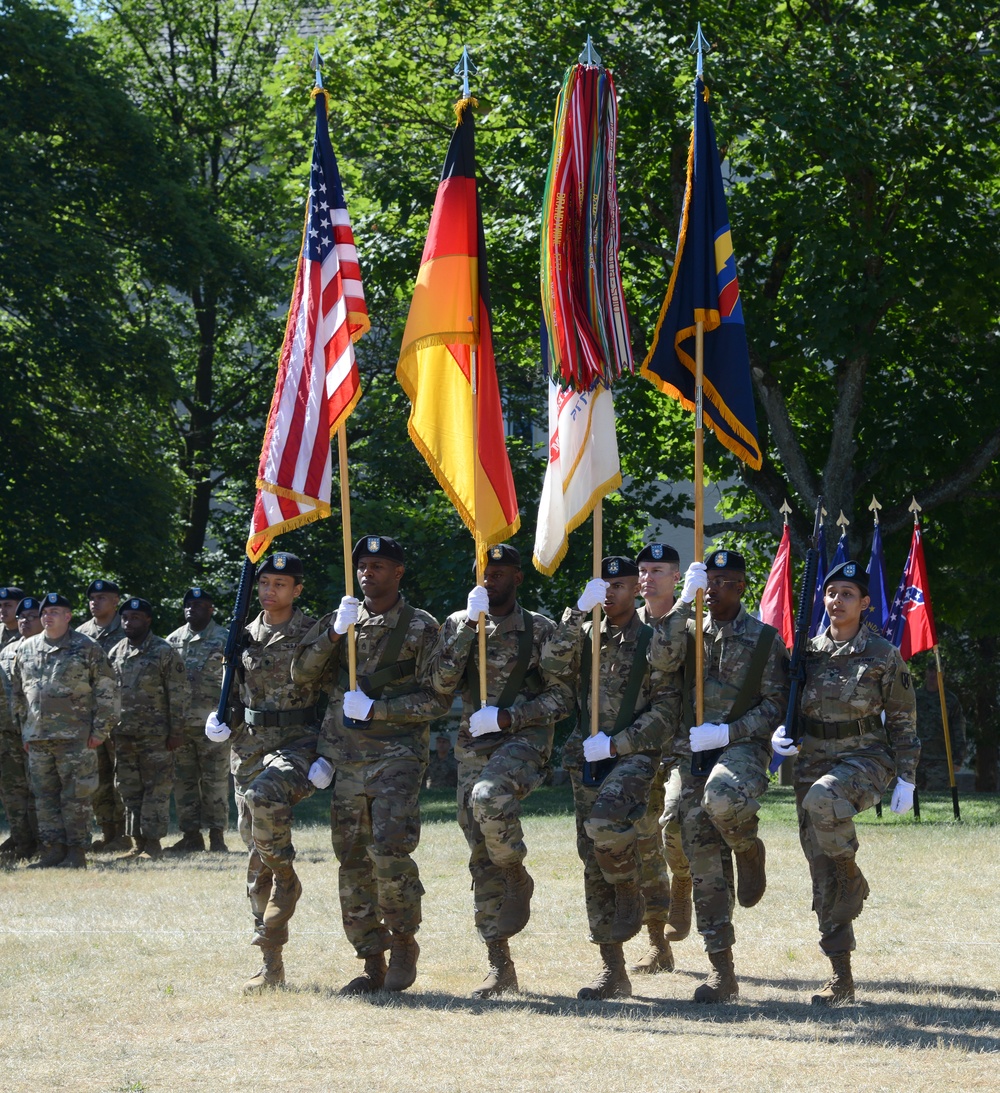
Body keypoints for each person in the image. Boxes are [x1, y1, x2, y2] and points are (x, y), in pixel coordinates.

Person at [292, 535, 447, 994]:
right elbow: (301, 672)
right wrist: (333, 633)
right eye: (362, 565)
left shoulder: (421, 628)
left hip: (396, 757)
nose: (367, 573)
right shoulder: (342, 619)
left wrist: (379, 710)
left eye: (378, 566)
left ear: (398, 572)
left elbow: (437, 699)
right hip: (345, 760)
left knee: (389, 851)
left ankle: (403, 942)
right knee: (352, 860)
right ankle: (371, 960)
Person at [426, 543, 571, 999]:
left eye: (502, 572)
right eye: (484, 570)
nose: (491, 578)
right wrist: (468, 626)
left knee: (489, 797)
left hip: (523, 742)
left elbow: (564, 697)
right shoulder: (457, 623)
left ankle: (516, 874)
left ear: (517, 579)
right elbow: (441, 683)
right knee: (479, 848)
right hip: (474, 746)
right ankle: (499, 962)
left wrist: (511, 718)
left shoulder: (540, 628)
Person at [772, 560, 919, 1005]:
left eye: (848, 594)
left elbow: (903, 719)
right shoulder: (807, 653)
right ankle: (841, 977)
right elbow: (785, 705)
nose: (837, 601)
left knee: (824, 798)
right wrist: (781, 736)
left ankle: (850, 872)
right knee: (820, 870)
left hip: (865, 757)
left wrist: (907, 777)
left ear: (865, 603)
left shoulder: (881, 654)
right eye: (832, 593)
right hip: (813, 759)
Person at [654, 550, 789, 1003]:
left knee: (721, 799)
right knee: (676, 826)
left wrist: (729, 731)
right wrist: (681, 602)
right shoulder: (688, 631)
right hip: (690, 749)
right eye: (709, 580)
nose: (715, 588)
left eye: (725, 581)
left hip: (740, 747)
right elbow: (655, 655)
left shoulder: (766, 640)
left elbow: (775, 705)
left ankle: (748, 848)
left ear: (742, 587)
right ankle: (722, 971)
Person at [541, 556, 675, 1000]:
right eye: (604, 586)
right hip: (586, 757)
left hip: (635, 755)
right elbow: (551, 664)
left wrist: (620, 744)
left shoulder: (654, 639)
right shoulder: (584, 636)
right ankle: (612, 969)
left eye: (619, 585)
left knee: (613, 829)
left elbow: (666, 710)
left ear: (635, 590)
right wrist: (577, 611)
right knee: (592, 856)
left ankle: (640, 908)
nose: (611, 593)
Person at [204, 552, 325, 993]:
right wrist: (221, 720)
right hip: (250, 747)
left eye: (280, 583)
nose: (270, 591)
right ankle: (270, 962)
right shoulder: (243, 634)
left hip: (298, 743)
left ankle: (288, 879)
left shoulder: (314, 631)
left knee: (263, 798)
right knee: (255, 856)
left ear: (297, 589)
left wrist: (328, 754)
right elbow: (234, 692)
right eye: (264, 583)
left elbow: (333, 693)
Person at [10, 592, 117, 868]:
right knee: (44, 797)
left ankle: (76, 851)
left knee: (77, 796)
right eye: (45, 612)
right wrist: (24, 731)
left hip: (77, 738)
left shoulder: (87, 647)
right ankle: (52, 850)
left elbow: (107, 690)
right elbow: (18, 693)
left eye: (55, 612)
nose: (48, 616)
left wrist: (100, 730)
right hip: (38, 737)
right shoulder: (27, 648)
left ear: (68, 617)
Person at [631, 541, 692, 974]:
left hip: (682, 744)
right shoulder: (622, 623)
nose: (648, 577)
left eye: (659, 570)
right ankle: (656, 944)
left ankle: (684, 881)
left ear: (677, 576)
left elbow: (668, 659)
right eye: (644, 570)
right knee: (642, 839)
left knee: (675, 822)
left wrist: (687, 608)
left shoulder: (693, 623)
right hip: (637, 745)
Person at [108, 597, 187, 861]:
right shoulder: (116, 652)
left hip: (157, 736)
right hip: (123, 735)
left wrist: (176, 732)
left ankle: (153, 844)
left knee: (156, 788)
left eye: (136, 617)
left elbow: (177, 694)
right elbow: (107, 694)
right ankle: (136, 843)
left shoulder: (163, 651)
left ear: (148, 620)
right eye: (125, 617)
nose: (129, 622)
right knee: (128, 788)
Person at [165, 588, 230, 853]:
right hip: (181, 726)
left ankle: (217, 837)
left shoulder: (224, 638)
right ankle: (191, 835)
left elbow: (235, 680)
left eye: (200, 604)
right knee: (184, 781)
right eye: (189, 604)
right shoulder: (172, 641)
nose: (193, 608)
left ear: (211, 609)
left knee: (215, 780)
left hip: (214, 724)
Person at [77, 579, 130, 853]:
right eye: (92, 598)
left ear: (115, 601)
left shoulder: (128, 627)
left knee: (121, 776)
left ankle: (124, 834)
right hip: (89, 717)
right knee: (98, 777)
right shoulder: (80, 634)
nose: (95, 602)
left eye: (102, 597)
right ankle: (107, 832)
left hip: (121, 716)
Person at [0, 596, 41, 861]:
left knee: (40, 790)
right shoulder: (6, 651)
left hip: (38, 733)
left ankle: (46, 844)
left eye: (31, 617)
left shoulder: (50, 649)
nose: (25, 621)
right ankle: (22, 845)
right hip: (7, 733)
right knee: (13, 792)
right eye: (22, 617)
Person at [915, 659, 965, 790]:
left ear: (942, 674)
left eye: (937, 671)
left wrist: (958, 759)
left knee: (936, 799)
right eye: (930, 671)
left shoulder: (950, 700)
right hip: (916, 759)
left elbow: (958, 731)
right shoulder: (915, 697)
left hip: (941, 761)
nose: (933, 675)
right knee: (914, 802)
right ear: (926, 673)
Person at [0, 586, 26, 650]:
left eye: (7, 605)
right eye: (0, 606)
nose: (2, 610)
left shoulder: (29, 631)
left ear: (20, 607)